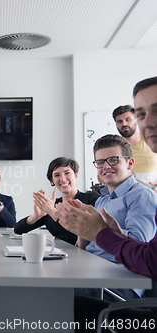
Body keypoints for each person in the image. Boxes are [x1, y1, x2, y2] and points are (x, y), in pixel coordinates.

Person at [55, 76, 157, 332]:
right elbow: (86, 246)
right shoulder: (102, 199)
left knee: (54, 297)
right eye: (100, 163)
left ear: (130, 164)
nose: (105, 167)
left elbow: (140, 252)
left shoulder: (142, 196)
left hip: (117, 284)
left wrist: (100, 231)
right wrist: (81, 231)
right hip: (92, 272)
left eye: (113, 161)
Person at [14, 157, 99, 245]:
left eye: (67, 173)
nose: (62, 179)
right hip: (57, 254)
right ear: (53, 181)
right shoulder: (52, 205)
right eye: (57, 175)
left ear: (76, 176)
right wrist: (36, 216)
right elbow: (18, 230)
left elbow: (77, 237)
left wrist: (52, 212)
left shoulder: (91, 198)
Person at [113, 104, 157, 190]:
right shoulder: (114, 148)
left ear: (136, 120)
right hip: (127, 199)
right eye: (119, 121)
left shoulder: (153, 140)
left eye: (128, 119)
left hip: (153, 198)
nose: (124, 124)